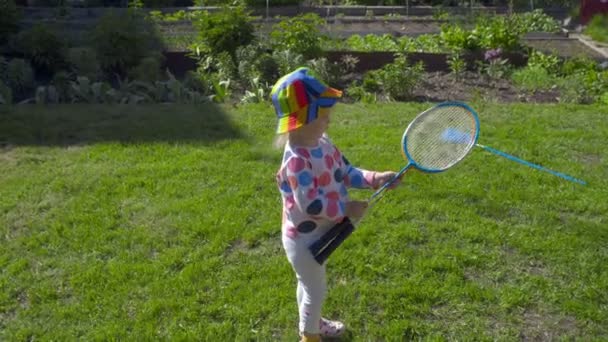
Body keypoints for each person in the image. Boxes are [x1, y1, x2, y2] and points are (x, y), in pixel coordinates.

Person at [271, 67, 401, 341]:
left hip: (317, 234)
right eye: (322, 114)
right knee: (316, 290)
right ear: (301, 121)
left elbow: (346, 172)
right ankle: (310, 336)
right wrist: (346, 209)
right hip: (304, 240)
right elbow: (312, 205)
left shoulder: (323, 143)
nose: (329, 119)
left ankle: (312, 322)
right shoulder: (297, 160)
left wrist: (374, 178)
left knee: (307, 285)